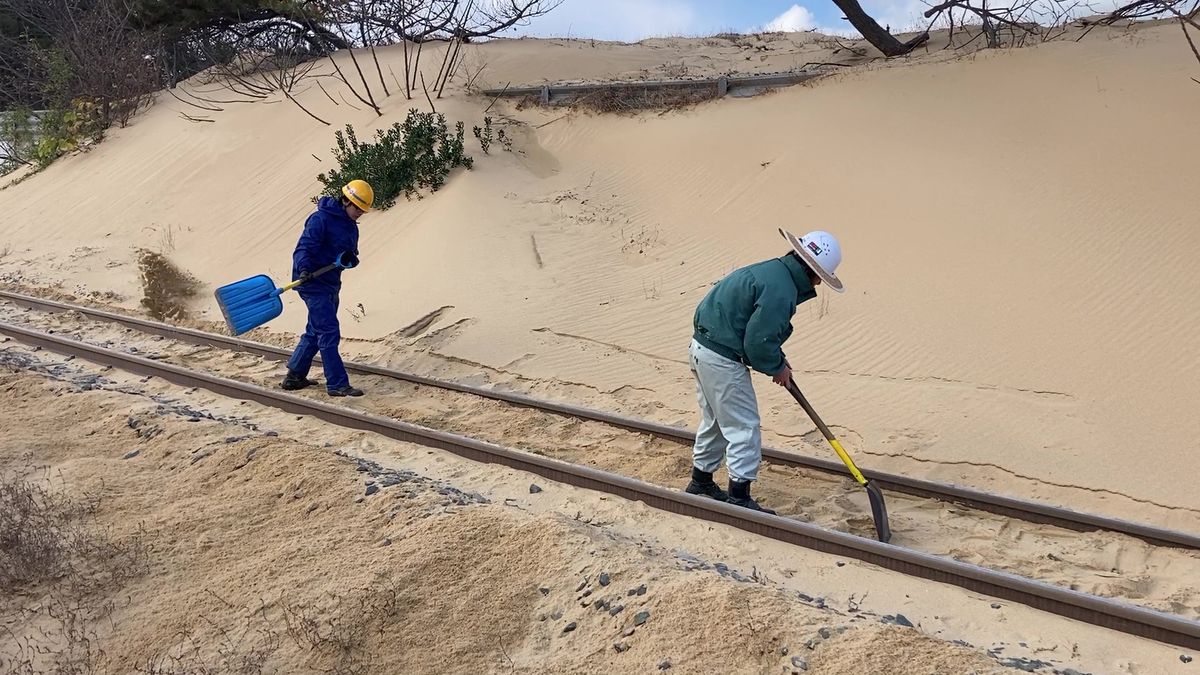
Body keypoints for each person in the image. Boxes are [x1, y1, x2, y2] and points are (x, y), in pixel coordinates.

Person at [685, 228, 845, 514]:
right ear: (814, 272)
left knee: (717, 421)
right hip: (721, 357)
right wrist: (776, 366)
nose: (820, 283)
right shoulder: (781, 290)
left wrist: (778, 360)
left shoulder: (775, 272)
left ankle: (701, 481)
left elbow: (759, 330)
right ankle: (739, 496)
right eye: (821, 277)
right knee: (743, 426)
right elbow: (758, 342)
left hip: (703, 348)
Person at [280, 179, 373, 397]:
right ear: (346, 201)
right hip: (312, 284)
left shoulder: (351, 227)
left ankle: (294, 376)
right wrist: (303, 269)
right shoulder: (319, 220)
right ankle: (337, 384)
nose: (360, 212)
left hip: (331, 283)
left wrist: (350, 259)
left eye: (363, 209)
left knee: (316, 330)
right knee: (329, 332)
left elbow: (349, 255)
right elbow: (303, 248)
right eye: (357, 207)